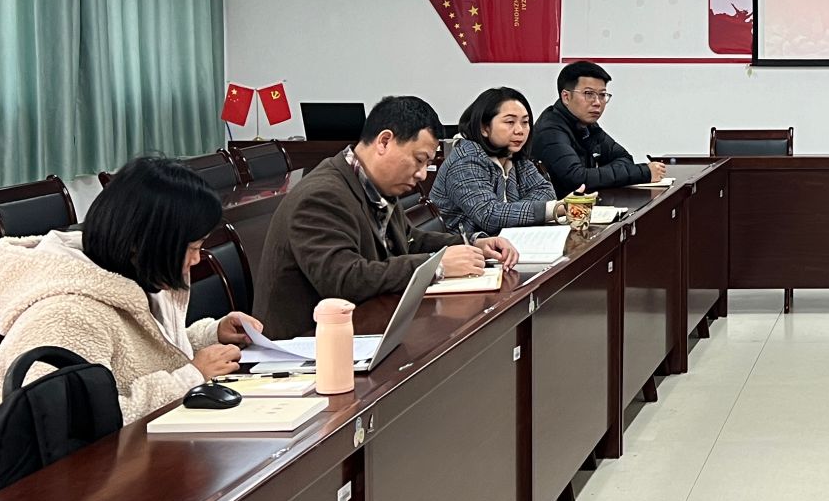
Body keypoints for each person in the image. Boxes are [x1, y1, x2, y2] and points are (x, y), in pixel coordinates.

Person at [0, 156, 264, 424]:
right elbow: (64, 425)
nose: (196, 260)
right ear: (145, 243)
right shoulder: (65, 316)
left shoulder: (134, 278)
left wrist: (211, 335)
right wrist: (189, 379)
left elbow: (141, 356)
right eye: (192, 248)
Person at [254, 94, 517, 338]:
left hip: (362, 327)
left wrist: (472, 244)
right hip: (306, 346)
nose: (422, 174)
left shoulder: (373, 184)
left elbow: (409, 239)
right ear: (384, 141)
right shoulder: (322, 196)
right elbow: (345, 279)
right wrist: (436, 266)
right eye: (419, 160)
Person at [431, 87, 571, 237]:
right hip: (465, 246)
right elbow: (489, 216)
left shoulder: (513, 155)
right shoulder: (465, 160)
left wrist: (507, 212)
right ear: (484, 128)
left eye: (525, 122)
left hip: (504, 240)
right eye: (510, 122)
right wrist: (553, 209)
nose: (520, 130)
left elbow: (546, 192)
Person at [529, 60, 668, 196]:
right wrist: (643, 173)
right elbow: (577, 179)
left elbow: (624, 158)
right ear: (566, 97)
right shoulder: (550, 130)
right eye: (588, 94)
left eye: (602, 95)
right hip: (560, 209)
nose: (597, 102)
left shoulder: (588, 125)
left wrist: (597, 176)